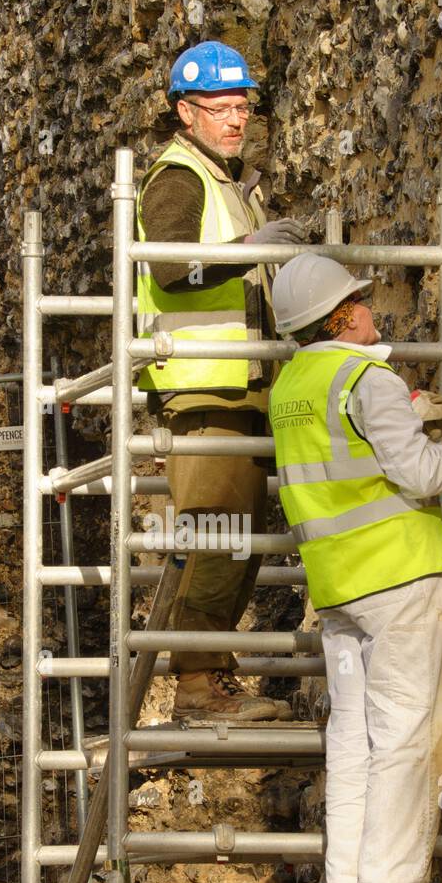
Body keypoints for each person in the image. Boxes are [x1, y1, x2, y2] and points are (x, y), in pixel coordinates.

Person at [267, 253, 442, 883]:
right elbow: (420, 473)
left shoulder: (291, 390)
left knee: (352, 739)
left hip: (339, 591)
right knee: (405, 732)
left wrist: (408, 411)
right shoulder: (368, 377)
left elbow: (348, 456)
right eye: (362, 300)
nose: (373, 309)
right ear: (342, 316)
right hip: (400, 578)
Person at [136, 40, 307, 721]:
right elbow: (173, 269)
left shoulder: (225, 183)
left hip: (238, 388)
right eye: (221, 107)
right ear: (186, 111)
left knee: (232, 538)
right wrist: (249, 252)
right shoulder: (178, 177)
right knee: (219, 532)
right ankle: (201, 688)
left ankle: (208, 680)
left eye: (242, 107)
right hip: (206, 387)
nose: (236, 119)